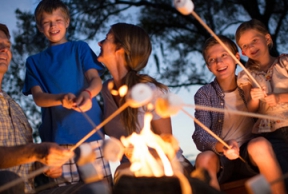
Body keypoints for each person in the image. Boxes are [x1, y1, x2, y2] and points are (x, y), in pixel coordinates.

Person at [0, 23, 78, 193]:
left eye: (7, 45)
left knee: (88, 188)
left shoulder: (15, 108)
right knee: (7, 180)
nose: (4, 49)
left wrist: (46, 164)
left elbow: (30, 163)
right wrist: (36, 151)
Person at [22, 0, 112, 187]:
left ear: (68, 21)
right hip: (58, 142)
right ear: (40, 27)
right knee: (67, 191)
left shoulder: (79, 48)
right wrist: (61, 99)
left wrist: (87, 94)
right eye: (47, 22)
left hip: (90, 135)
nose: (53, 25)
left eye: (58, 20)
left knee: (100, 188)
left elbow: (96, 80)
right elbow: (39, 98)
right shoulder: (34, 62)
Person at [97, 23, 193, 181]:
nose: (100, 43)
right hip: (134, 173)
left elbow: (169, 148)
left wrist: (138, 153)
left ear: (120, 49)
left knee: (122, 173)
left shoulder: (149, 92)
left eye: (107, 39)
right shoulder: (107, 90)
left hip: (170, 170)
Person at [192, 35, 286, 193]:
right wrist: (223, 146)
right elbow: (200, 135)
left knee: (260, 144)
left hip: (249, 155)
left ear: (236, 57)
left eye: (224, 55)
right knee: (203, 158)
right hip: (221, 156)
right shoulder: (204, 94)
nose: (219, 62)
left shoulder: (250, 84)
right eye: (212, 59)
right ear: (208, 66)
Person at [235, 18, 288, 190]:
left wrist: (279, 98)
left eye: (254, 41)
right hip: (270, 134)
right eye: (244, 46)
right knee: (283, 175)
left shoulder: (285, 62)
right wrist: (255, 97)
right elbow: (250, 110)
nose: (250, 48)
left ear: (267, 39)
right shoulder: (246, 76)